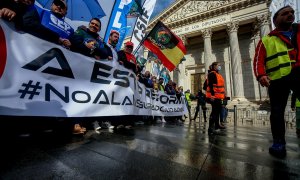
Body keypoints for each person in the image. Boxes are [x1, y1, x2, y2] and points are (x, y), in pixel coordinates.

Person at [253, 5, 300, 158]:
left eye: (292, 12)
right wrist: (261, 75)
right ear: (276, 19)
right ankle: (278, 141)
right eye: (285, 13)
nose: (290, 15)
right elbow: (258, 60)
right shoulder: (267, 40)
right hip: (278, 78)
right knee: (277, 111)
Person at [206, 62, 226, 134]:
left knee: (217, 112)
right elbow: (211, 85)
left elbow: (205, 86)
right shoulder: (212, 74)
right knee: (214, 113)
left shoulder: (217, 74)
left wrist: (224, 96)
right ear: (214, 66)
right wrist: (212, 95)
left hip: (218, 96)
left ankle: (217, 126)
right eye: (218, 65)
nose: (220, 66)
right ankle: (210, 128)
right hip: (214, 97)